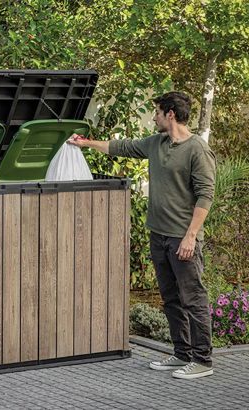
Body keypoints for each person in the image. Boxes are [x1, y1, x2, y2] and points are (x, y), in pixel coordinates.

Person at [68, 91, 216, 379]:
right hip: (158, 235)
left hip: (182, 237)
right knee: (171, 299)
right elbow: (122, 147)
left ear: (170, 114)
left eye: (158, 112)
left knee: (193, 299)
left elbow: (205, 195)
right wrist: (85, 143)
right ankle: (181, 354)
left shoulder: (197, 149)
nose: (154, 118)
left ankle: (202, 360)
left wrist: (191, 236)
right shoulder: (156, 143)